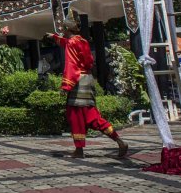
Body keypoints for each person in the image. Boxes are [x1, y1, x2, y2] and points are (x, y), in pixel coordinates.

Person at [49, 21, 128, 159]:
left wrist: (66, 86)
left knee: (76, 116)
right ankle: (119, 140)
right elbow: (69, 45)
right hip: (88, 80)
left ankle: (79, 150)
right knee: (92, 117)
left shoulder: (71, 43)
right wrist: (55, 37)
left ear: (68, 30)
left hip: (78, 82)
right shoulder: (82, 41)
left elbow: (71, 65)